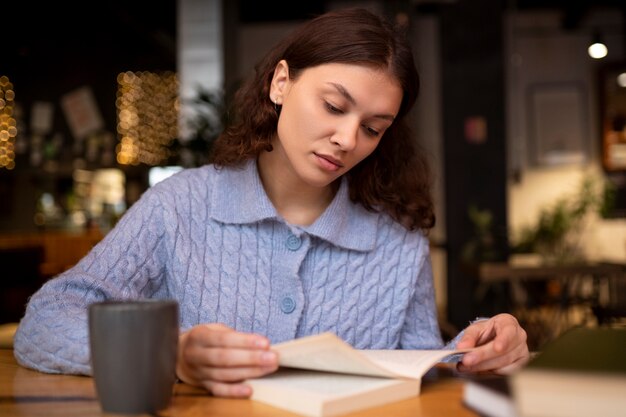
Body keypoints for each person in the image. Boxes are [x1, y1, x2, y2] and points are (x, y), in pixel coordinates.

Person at [14, 8, 529, 398]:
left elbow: (415, 364)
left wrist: (475, 350)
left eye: (373, 128)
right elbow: (43, 323)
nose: (347, 139)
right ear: (281, 82)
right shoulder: (179, 207)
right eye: (333, 106)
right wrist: (171, 354)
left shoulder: (397, 238)